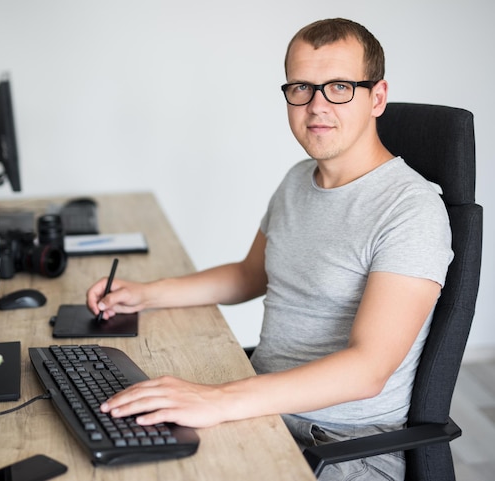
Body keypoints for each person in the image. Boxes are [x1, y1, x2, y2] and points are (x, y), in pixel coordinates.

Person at [86, 18, 453, 480]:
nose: (317, 106)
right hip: (265, 414)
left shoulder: (411, 210)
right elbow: (250, 275)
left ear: (376, 97)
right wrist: (146, 294)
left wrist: (217, 399)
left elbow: (368, 370)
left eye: (339, 86)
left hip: (344, 450)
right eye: (302, 87)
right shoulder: (299, 179)